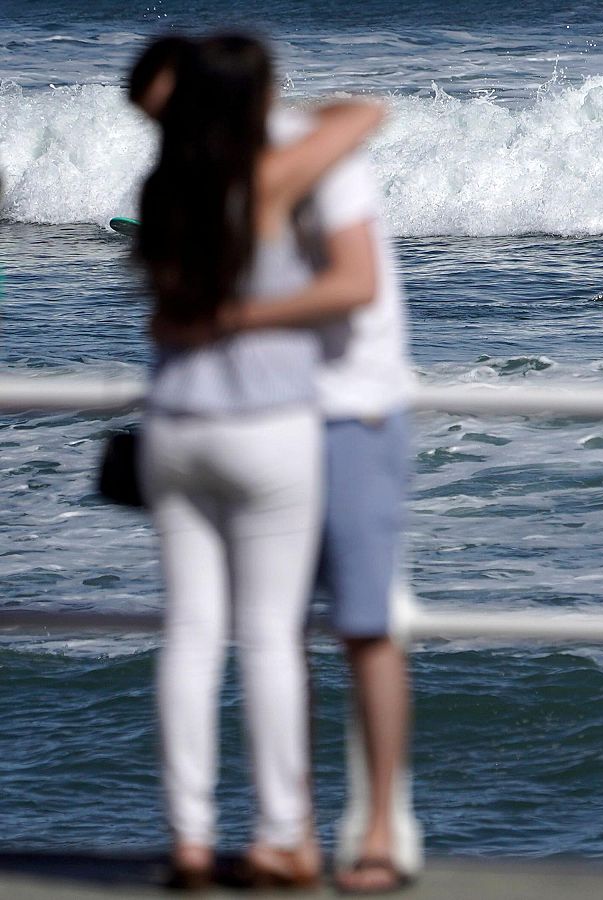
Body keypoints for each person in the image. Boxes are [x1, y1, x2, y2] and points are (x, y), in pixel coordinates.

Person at [128, 33, 420, 894]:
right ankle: (285, 835)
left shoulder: (176, 179)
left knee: (269, 629)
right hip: (272, 423)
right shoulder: (266, 171)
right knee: (269, 636)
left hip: (300, 413)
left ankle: (234, 835)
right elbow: (366, 116)